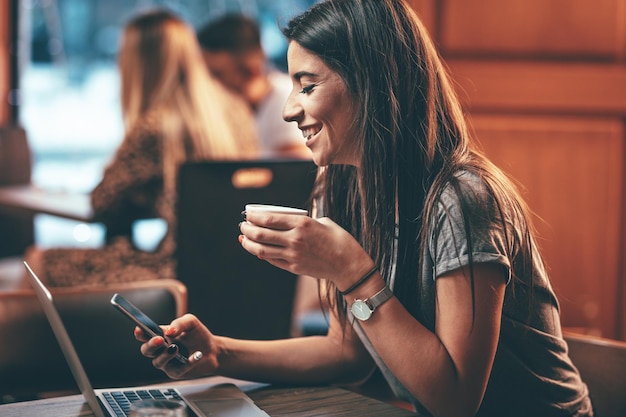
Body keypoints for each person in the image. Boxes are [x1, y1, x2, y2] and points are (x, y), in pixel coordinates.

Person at [135, 1, 593, 416]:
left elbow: (455, 400)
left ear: (373, 84)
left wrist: (351, 271)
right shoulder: (339, 186)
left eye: (307, 85)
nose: (288, 110)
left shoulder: (463, 199)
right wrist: (220, 353)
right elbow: (347, 353)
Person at [22, 9, 258, 287]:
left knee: (37, 262)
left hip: (175, 274)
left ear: (140, 65)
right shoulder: (236, 109)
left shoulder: (156, 126)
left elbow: (102, 204)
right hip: (234, 270)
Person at [196, 14, 310, 159]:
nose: (208, 84)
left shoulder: (286, 98)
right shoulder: (229, 110)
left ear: (250, 69)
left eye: (217, 74)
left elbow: (297, 165)